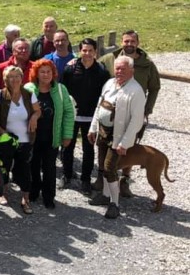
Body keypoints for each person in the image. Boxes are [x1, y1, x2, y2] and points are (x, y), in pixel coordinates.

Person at [98, 30, 160, 197]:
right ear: (122, 42)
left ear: (137, 43)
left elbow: (154, 87)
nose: (129, 44)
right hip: (113, 112)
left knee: (129, 147)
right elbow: (97, 68)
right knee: (106, 145)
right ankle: (104, 178)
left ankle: (125, 180)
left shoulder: (147, 64)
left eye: (132, 41)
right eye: (126, 41)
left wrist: (147, 109)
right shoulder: (111, 59)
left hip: (135, 111)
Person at [88, 56, 146, 219]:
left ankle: (115, 203)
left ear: (131, 70)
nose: (119, 71)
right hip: (103, 133)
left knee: (109, 169)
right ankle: (106, 196)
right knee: (102, 166)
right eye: (117, 68)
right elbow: (99, 107)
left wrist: (125, 143)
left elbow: (136, 120)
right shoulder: (109, 83)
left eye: (123, 68)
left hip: (118, 137)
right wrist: (93, 128)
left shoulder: (136, 91)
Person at [24, 59, 75, 209]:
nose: (46, 75)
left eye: (49, 72)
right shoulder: (28, 89)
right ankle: (33, 192)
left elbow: (68, 112)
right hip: (32, 136)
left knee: (49, 167)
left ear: (53, 74)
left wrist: (67, 135)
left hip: (52, 136)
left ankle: (49, 197)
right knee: (32, 165)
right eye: (42, 72)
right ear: (36, 74)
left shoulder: (60, 89)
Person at [61, 38, 110, 194]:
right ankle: (67, 175)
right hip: (71, 116)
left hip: (91, 117)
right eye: (84, 50)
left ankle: (85, 180)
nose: (87, 54)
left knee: (88, 150)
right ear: (79, 51)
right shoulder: (70, 69)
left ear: (95, 52)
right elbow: (63, 90)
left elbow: (105, 94)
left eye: (90, 51)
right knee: (67, 146)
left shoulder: (102, 72)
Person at [0, 66, 40, 214]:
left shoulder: (28, 94)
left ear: (22, 78)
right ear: (5, 79)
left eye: (17, 76)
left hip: (25, 138)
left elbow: (37, 110)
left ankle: (25, 198)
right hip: (6, 138)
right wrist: (2, 133)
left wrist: (34, 117)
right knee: (4, 166)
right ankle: (2, 192)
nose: (14, 80)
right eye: (10, 77)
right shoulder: (0, 95)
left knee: (24, 168)